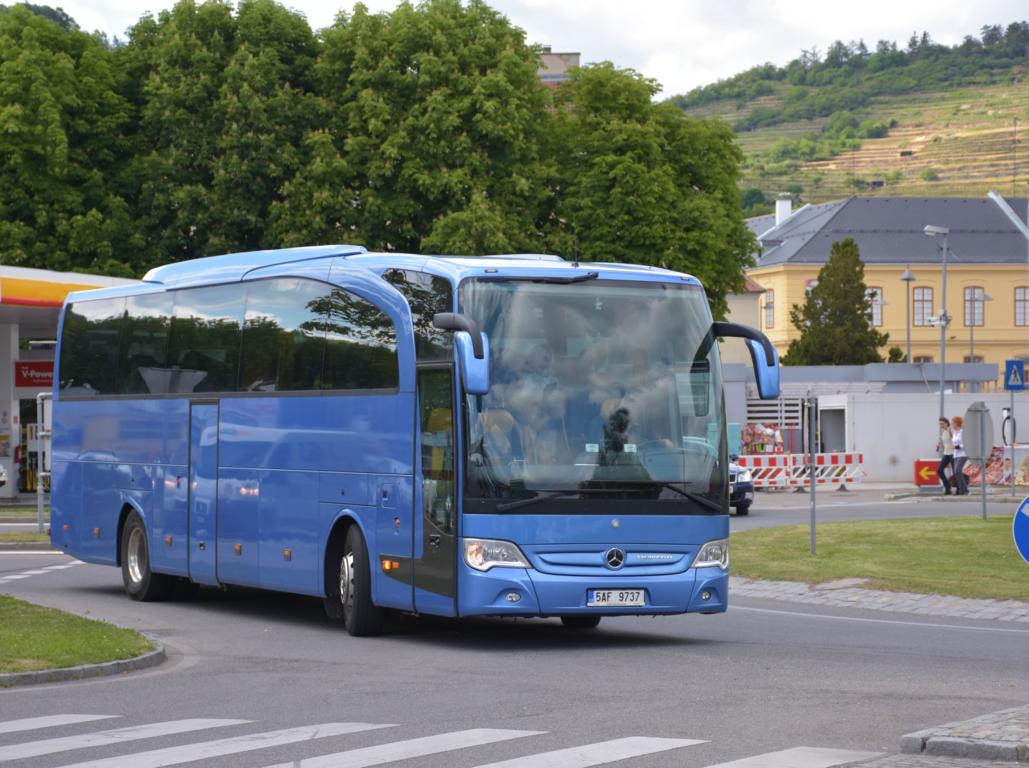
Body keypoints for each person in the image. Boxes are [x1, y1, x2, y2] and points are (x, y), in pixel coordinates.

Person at [937, 417, 955, 495]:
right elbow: (945, 444)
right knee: (939, 470)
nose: (941, 425)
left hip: (953, 454)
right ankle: (948, 486)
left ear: (947, 423)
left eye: (942, 423)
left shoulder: (951, 430)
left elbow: (956, 441)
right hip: (946, 454)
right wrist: (939, 445)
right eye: (940, 423)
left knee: (956, 472)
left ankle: (959, 489)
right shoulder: (943, 433)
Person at [951, 415, 969, 495]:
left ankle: (965, 490)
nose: (952, 424)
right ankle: (961, 490)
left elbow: (966, 443)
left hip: (963, 454)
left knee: (958, 470)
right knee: (956, 472)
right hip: (956, 454)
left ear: (957, 423)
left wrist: (958, 446)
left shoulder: (962, 432)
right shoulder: (954, 432)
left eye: (953, 422)